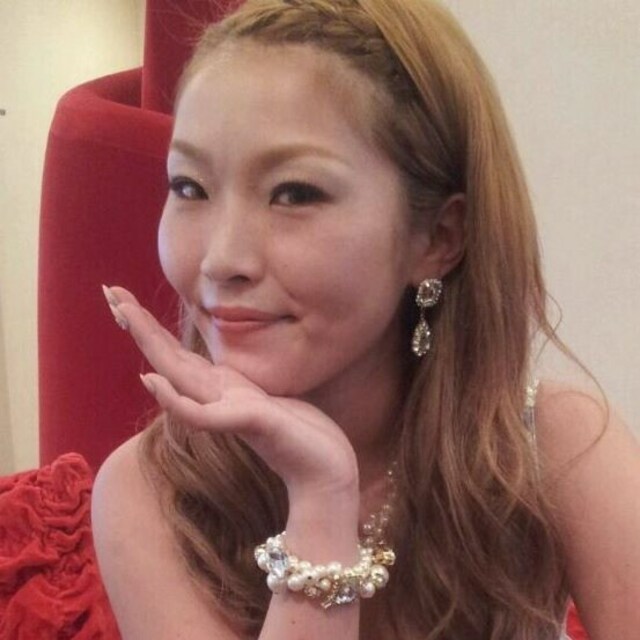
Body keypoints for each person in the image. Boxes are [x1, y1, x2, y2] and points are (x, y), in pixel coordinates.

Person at [92, 0, 640, 638]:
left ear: (437, 238)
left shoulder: (556, 445)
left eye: (294, 193)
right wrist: (320, 499)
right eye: (190, 187)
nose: (222, 259)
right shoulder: (150, 491)